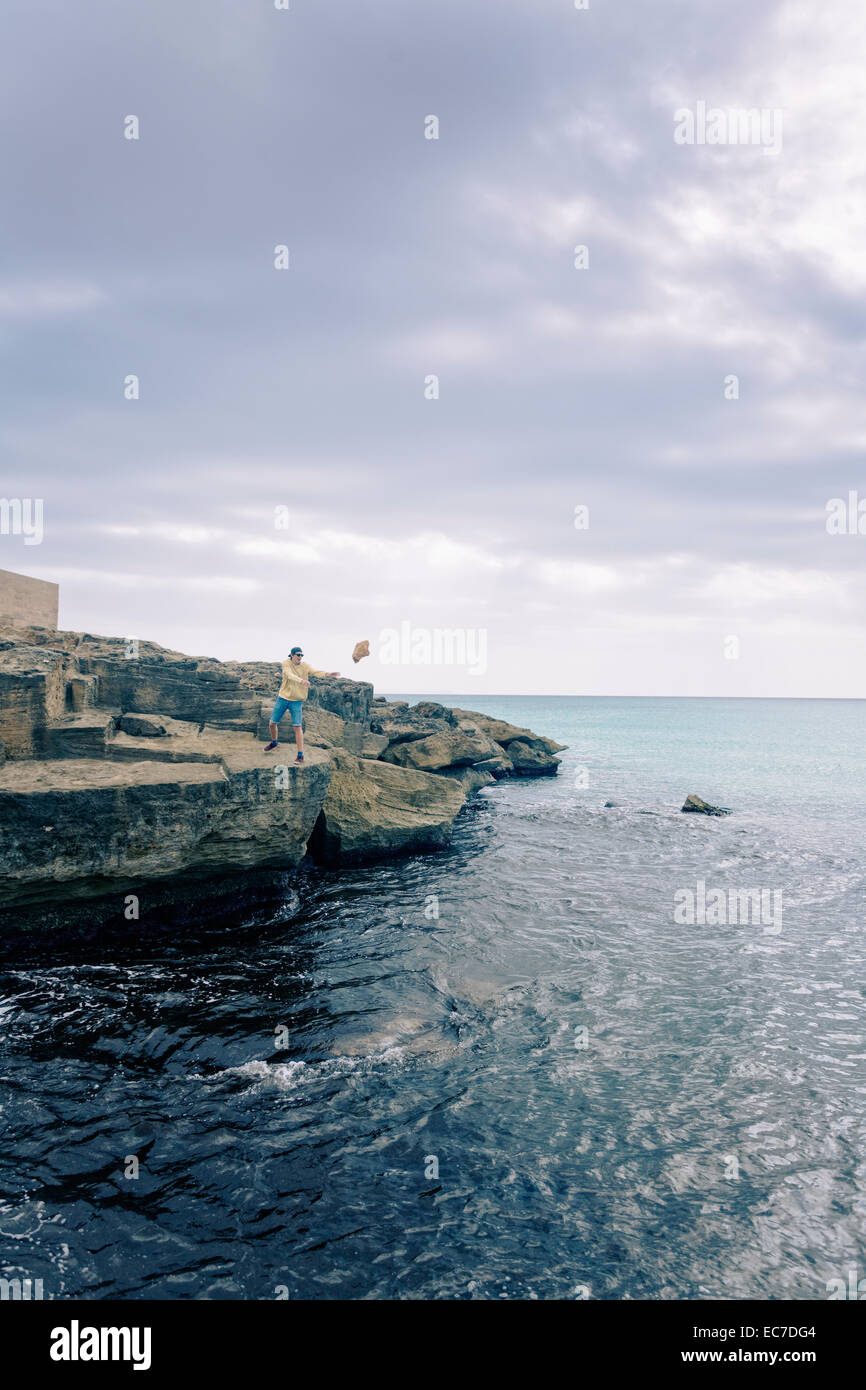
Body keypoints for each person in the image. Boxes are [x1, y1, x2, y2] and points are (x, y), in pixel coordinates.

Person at [263, 646, 340, 761]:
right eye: (298, 655)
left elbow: (315, 672)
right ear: (292, 655)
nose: (300, 657)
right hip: (283, 698)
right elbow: (289, 675)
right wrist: (301, 680)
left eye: (301, 655)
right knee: (272, 723)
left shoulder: (305, 666)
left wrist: (328, 674)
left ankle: (300, 755)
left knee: (297, 727)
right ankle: (274, 742)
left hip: (296, 701)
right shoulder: (286, 663)